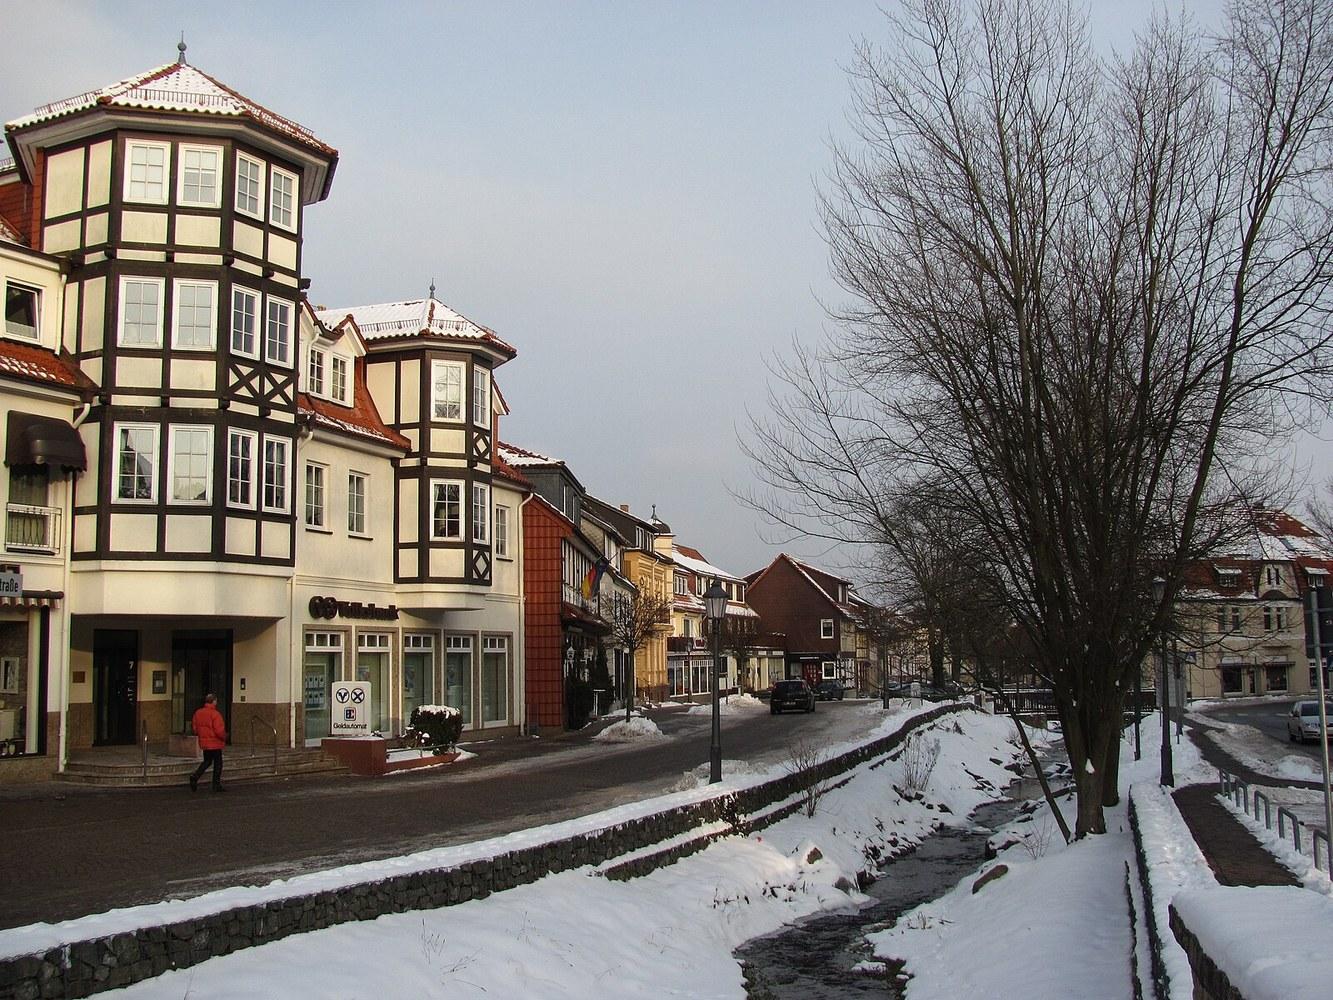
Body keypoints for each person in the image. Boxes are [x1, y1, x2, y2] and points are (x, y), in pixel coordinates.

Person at [189, 693, 228, 792]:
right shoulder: (215, 714)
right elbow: (219, 730)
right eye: (216, 700)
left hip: (205, 742)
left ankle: (195, 776)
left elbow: (195, 728)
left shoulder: (198, 713)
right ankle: (216, 784)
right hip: (215, 742)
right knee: (218, 763)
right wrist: (224, 737)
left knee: (207, 761)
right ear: (214, 701)